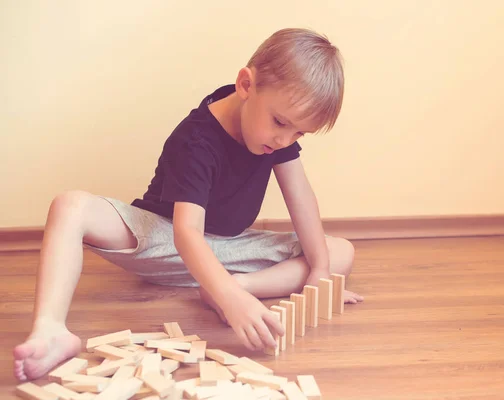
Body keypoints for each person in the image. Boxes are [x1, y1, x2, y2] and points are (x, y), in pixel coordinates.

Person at [13, 27, 363, 382]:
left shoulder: (276, 124)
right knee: (69, 205)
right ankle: (50, 328)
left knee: (339, 252)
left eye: (299, 134)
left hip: (228, 252)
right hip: (165, 240)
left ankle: (242, 286)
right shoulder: (197, 139)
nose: (284, 139)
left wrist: (319, 273)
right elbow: (186, 232)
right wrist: (228, 299)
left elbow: (300, 195)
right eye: (281, 124)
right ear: (246, 85)